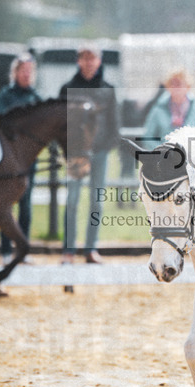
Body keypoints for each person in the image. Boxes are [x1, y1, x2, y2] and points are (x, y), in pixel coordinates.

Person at [59, 42, 118, 264]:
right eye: (84, 58)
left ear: (99, 61)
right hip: (75, 153)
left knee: (96, 202)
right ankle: (68, 250)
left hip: (100, 153)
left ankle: (91, 249)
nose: (88, 62)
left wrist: (101, 150)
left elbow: (114, 126)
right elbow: (60, 123)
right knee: (73, 200)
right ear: (78, 61)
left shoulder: (108, 90)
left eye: (92, 58)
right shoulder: (67, 89)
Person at [0, 54, 42, 265]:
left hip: (28, 160)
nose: (27, 74)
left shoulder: (36, 98)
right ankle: (5, 251)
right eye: (23, 70)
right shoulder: (5, 95)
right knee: (7, 205)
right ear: (15, 72)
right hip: (9, 160)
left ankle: (22, 250)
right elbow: (2, 119)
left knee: (26, 206)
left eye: (30, 71)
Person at [141, 68, 195, 148]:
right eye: (172, 84)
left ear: (188, 87)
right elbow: (147, 138)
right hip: (165, 158)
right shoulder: (158, 109)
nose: (175, 87)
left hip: (192, 156)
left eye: (179, 84)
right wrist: (163, 151)